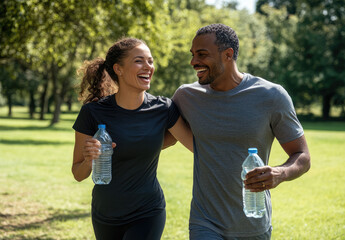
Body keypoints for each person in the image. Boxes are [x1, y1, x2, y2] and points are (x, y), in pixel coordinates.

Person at [171, 23, 311, 239]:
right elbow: (161, 137)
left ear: (228, 55)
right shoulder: (186, 96)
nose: (193, 62)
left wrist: (280, 173)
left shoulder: (272, 96)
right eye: (193, 54)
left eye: (202, 54)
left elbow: (303, 156)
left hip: (253, 221)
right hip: (205, 221)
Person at [72, 37, 193, 240]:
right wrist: (89, 159)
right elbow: (78, 173)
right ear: (118, 69)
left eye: (150, 61)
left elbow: (196, 145)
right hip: (105, 214)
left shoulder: (163, 109)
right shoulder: (92, 112)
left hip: (147, 212)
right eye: (139, 61)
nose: (148, 67)